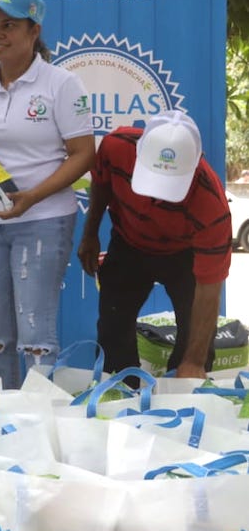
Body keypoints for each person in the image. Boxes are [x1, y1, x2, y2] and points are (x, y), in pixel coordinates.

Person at [0, 0, 95, 388]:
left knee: (35, 335)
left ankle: (39, 416)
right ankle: (3, 417)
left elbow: (84, 154)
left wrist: (31, 197)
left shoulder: (61, 85)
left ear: (34, 32)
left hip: (44, 221)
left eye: (9, 25)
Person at [77, 110, 231, 379]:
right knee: (113, 326)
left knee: (196, 341)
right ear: (139, 152)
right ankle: (122, 389)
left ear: (195, 164)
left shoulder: (211, 204)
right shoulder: (116, 146)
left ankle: (186, 390)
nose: (158, 196)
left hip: (184, 254)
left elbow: (209, 291)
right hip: (128, 242)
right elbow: (102, 185)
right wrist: (90, 234)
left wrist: (193, 362)